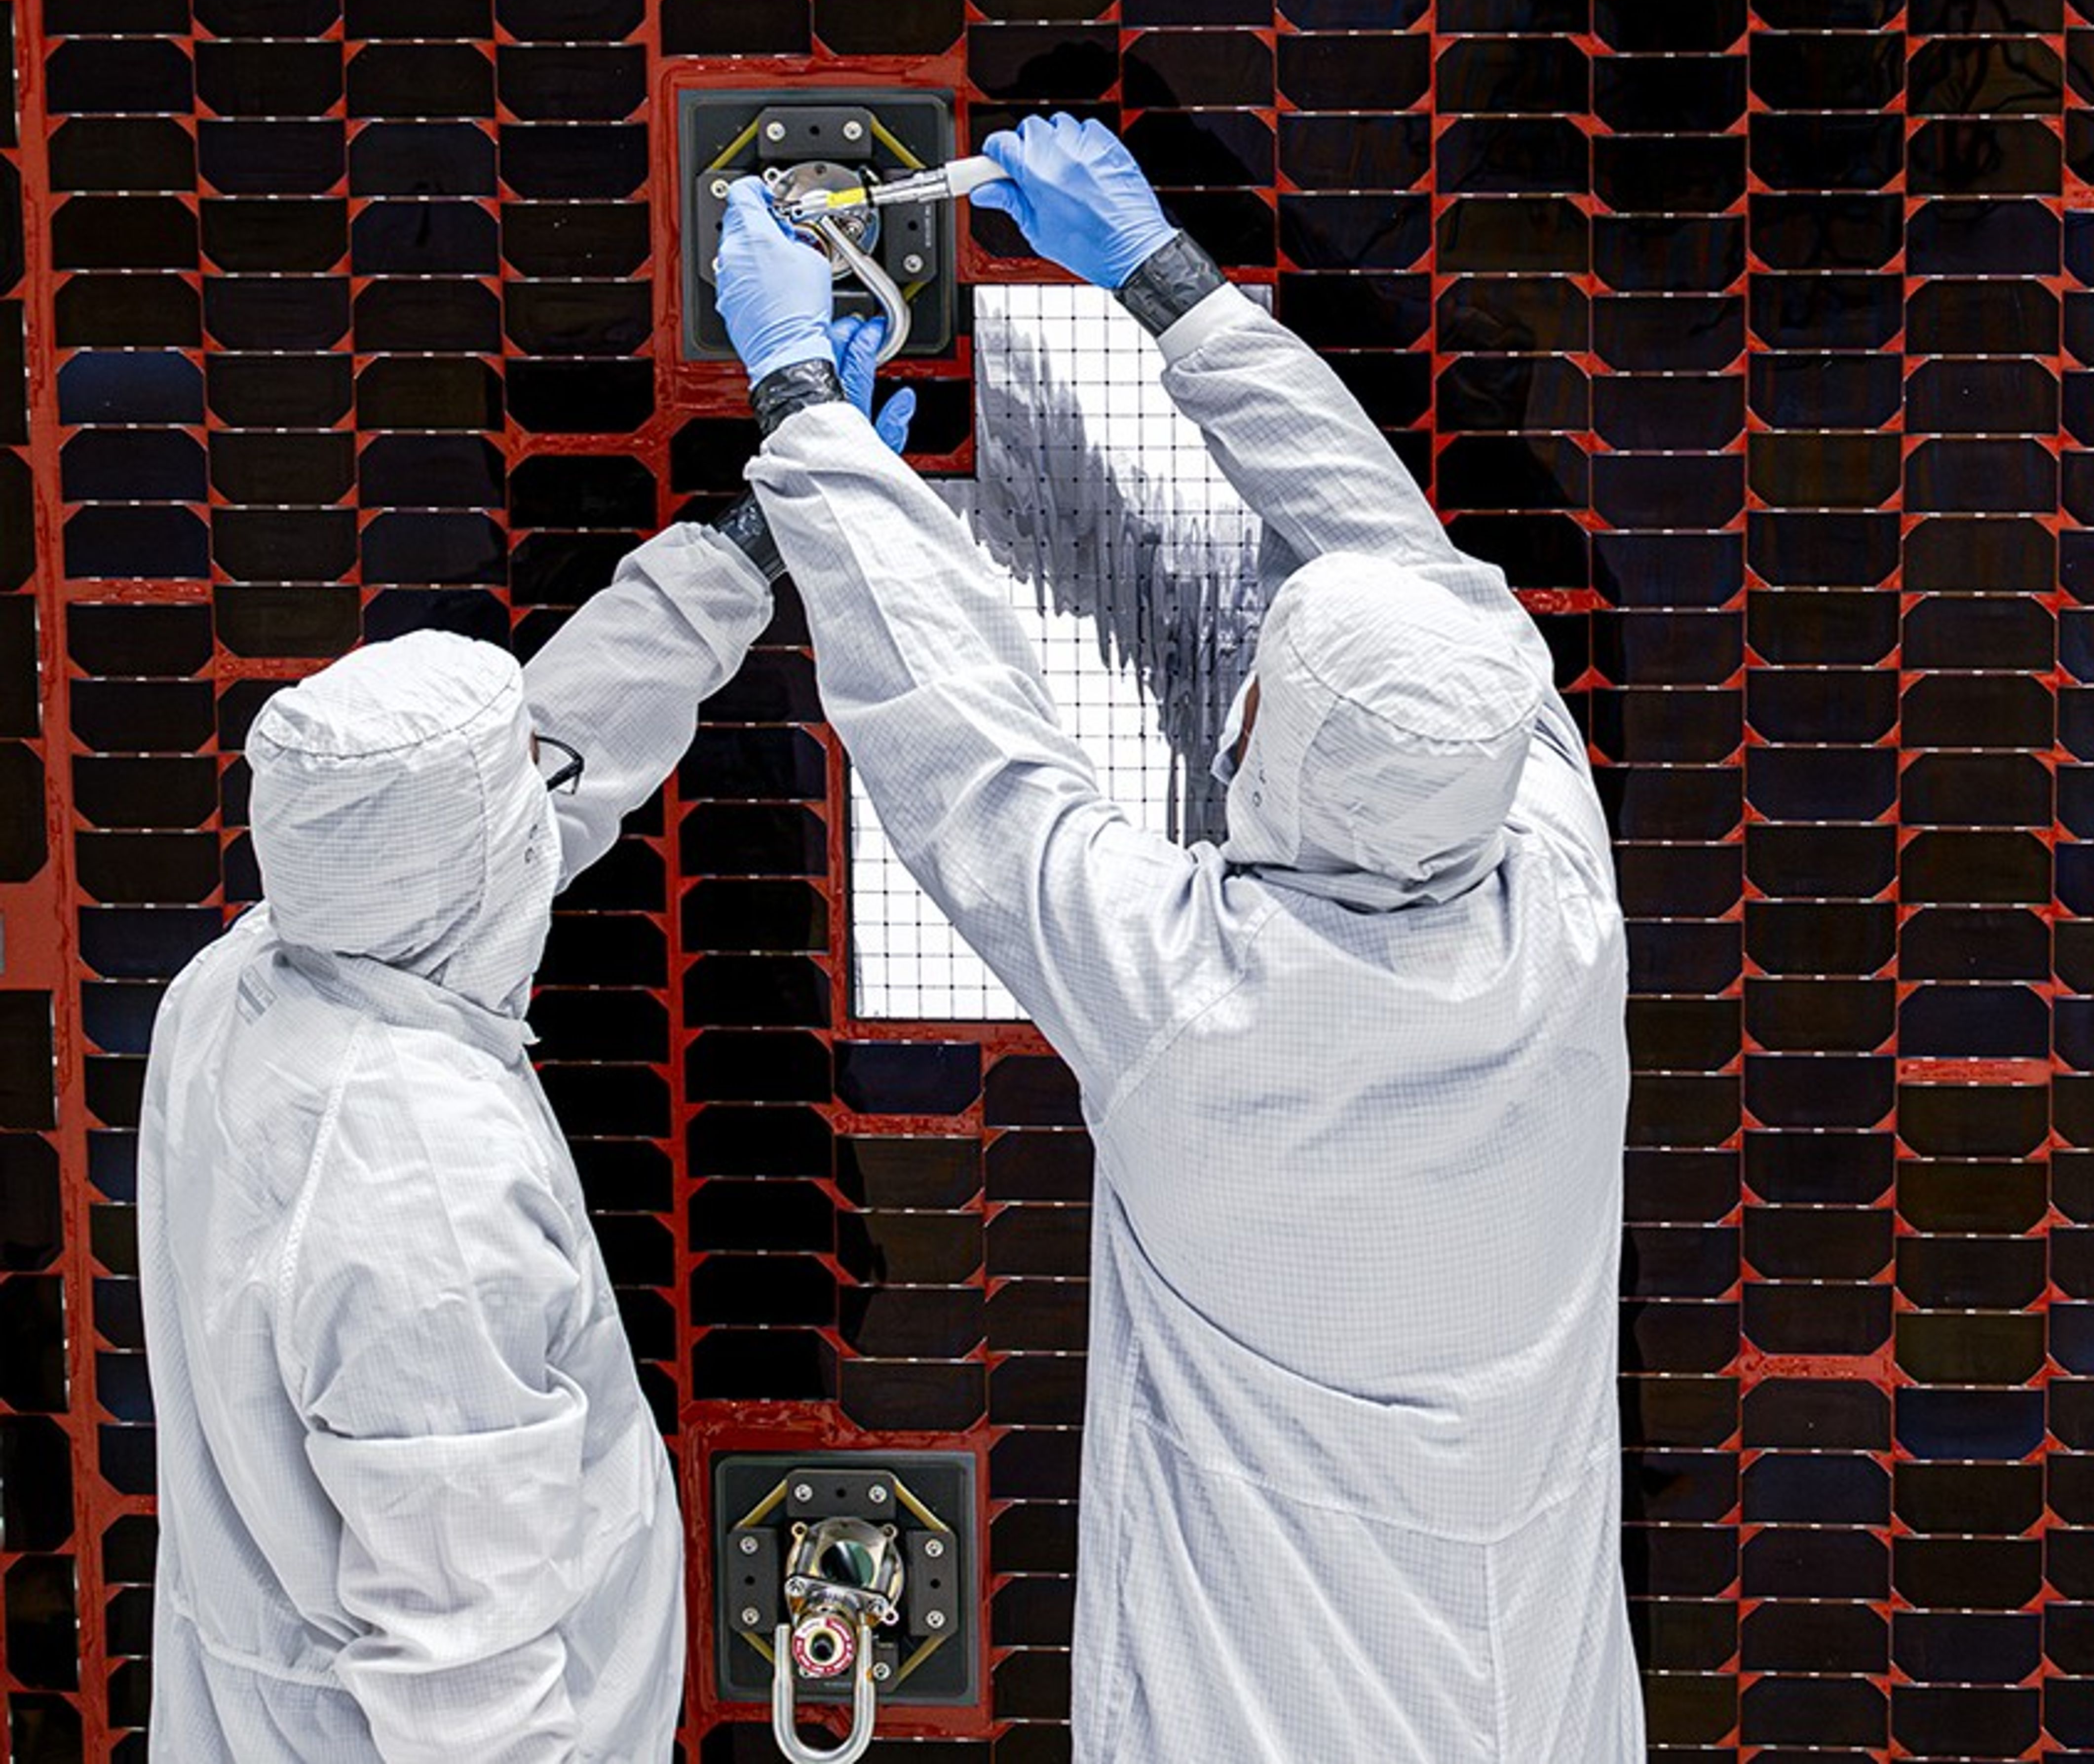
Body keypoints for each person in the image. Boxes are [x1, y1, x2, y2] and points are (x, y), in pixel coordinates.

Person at [713, 116, 1644, 1760]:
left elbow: (958, 739)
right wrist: (1172, 293)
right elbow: (1406, 584)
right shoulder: (1553, 915)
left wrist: (801, 390)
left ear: (1260, 741)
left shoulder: (1202, 1003)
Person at [137, 353, 913, 1763]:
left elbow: (552, 754)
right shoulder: (418, 1185)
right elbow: (461, 1674)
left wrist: (752, 543)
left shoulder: (255, 973)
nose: (549, 795)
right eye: (522, 799)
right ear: (479, 862)